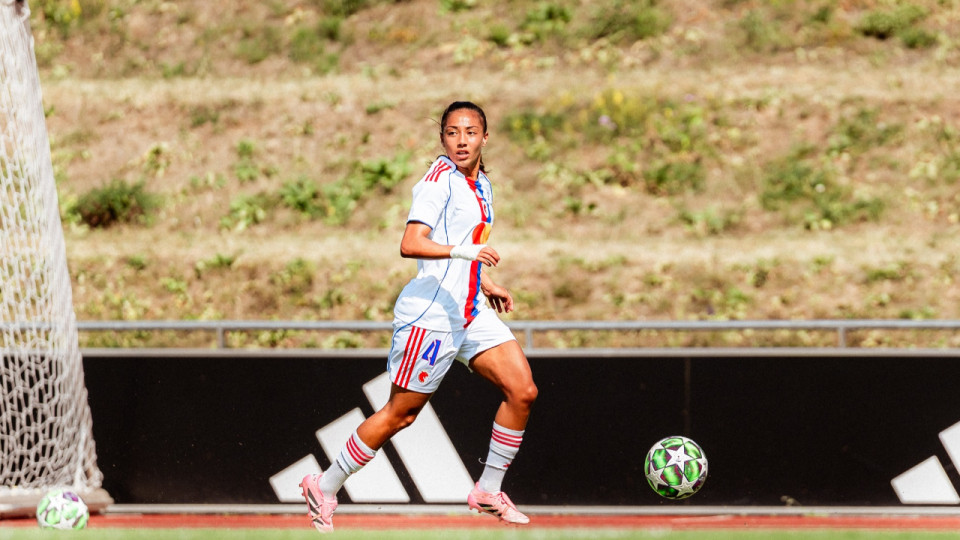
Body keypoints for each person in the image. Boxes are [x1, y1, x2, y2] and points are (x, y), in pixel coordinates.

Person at [299, 101, 538, 533]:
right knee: (400, 414)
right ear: (442, 138)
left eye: (470, 131)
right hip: (431, 316)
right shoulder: (437, 182)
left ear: (486, 137)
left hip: (468, 310)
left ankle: (487, 488)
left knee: (522, 391)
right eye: (452, 132)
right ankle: (324, 484)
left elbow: (460, 243)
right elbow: (411, 243)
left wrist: (482, 281)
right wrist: (467, 253)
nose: (461, 140)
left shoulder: (482, 184)